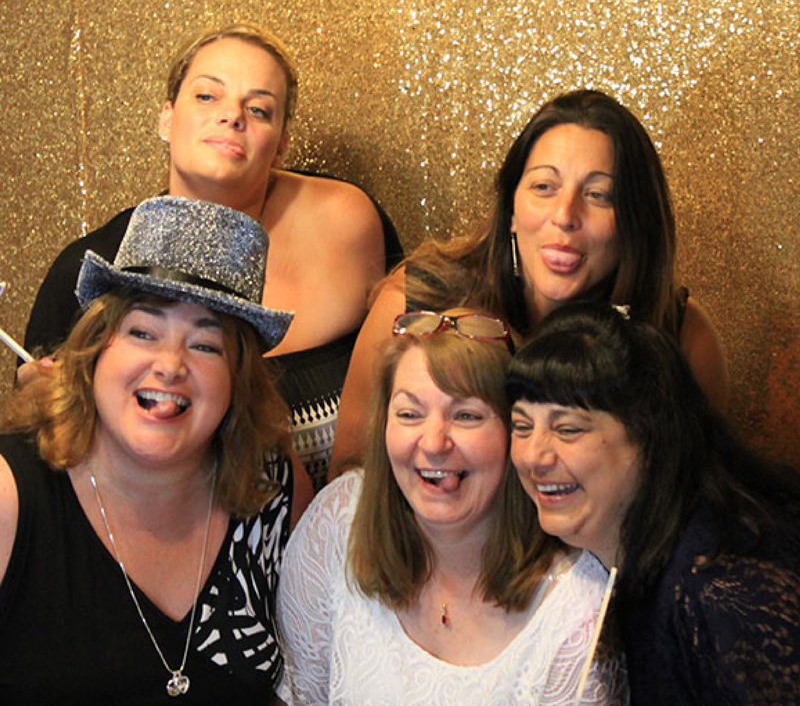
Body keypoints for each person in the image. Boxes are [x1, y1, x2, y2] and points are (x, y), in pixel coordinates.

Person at [21, 22, 403, 493]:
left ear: (282, 142)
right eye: (207, 97)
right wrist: (44, 406)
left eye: (259, 109)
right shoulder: (91, 268)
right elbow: (48, 455)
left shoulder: (348, 222)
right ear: (166, 118)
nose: (232, 116)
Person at [330, 88, 727, 478]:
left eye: (599, 194)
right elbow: (350, 478)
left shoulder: (680, 333)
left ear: (635, 223)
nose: (565, 215)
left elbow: (701, 502)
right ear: (511, 211)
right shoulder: (417, 302)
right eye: (544, 187)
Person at [0, 197, 298, 704]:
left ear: (238, 381)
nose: (170, 365)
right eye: (142, 332)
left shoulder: (269, 492)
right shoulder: (10, 497)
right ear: (93, 350)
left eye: (205, 346)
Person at [277, 309, 628, 705]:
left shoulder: (576, 615)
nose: (433, 443)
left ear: (516, 433)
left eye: (466, 415)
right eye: (410, 414)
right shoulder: (337, 522)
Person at [505, 302, 800, 706]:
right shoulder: (612, 563)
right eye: (522, 426)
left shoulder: (719, 591)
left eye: (567, 429)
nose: (533, 455)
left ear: (648, 437)